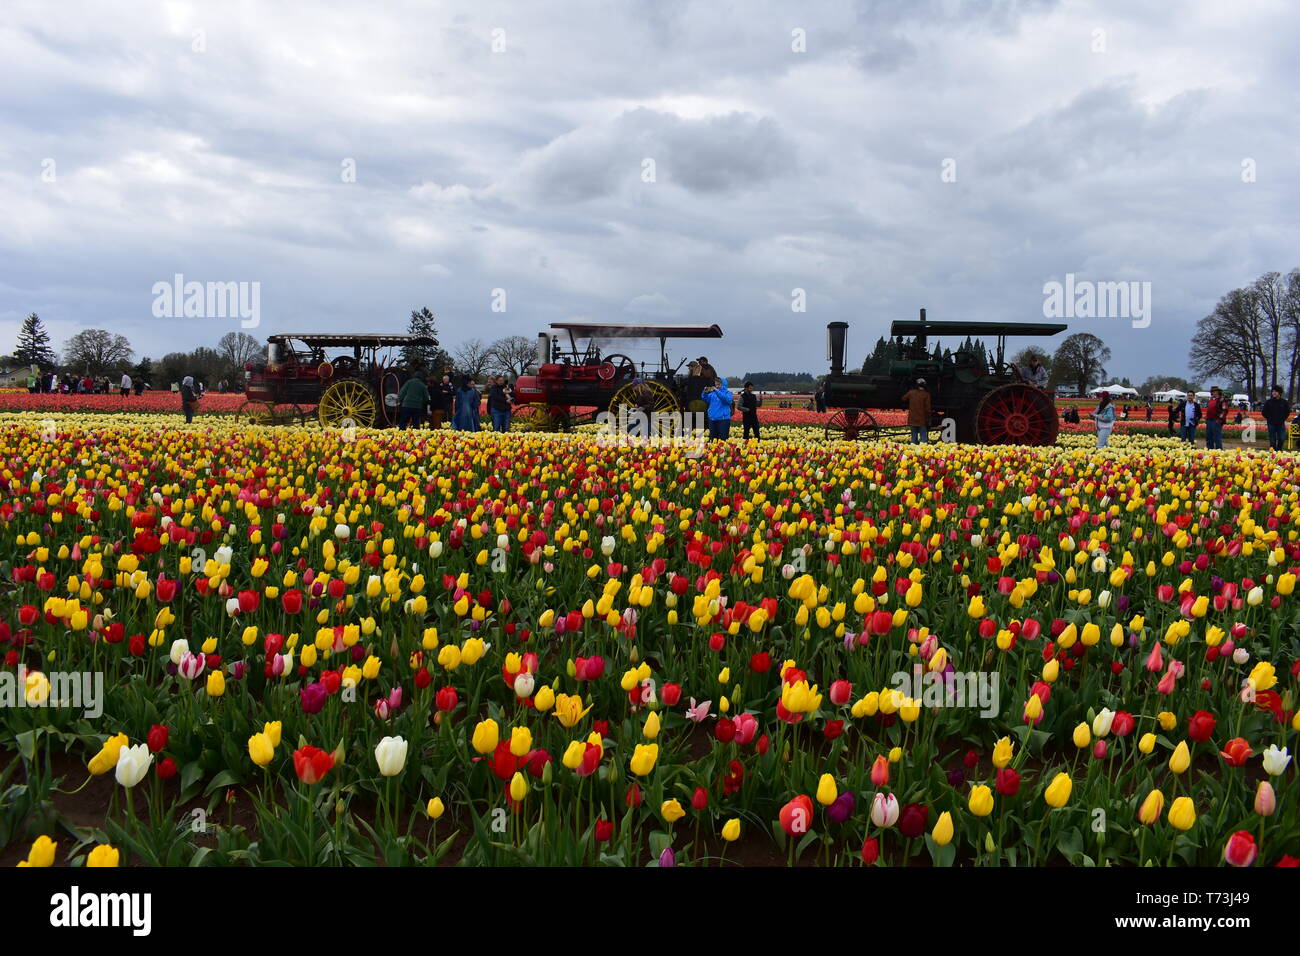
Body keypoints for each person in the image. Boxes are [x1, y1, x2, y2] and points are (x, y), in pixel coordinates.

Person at [900, 378, 932, 444]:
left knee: (913, 437)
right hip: (922, 419)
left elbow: (903, 398)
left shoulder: (911, 392)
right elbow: (928, 409)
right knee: (923, 437)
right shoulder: (926, 395)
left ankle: (913, 449)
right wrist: (929, 419)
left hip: (912, 418)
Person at [1262, 385, 1290, 451]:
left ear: (1279, 393)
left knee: (1282, 438)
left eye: (1276, 391)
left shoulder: (1284, 402)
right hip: (1271, 423)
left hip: (1281, 423)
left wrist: (1283, 419)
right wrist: (1269, 418)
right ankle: (1273, 453)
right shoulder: (1268, 402)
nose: (1274, 393)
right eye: (1273, 391)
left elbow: (1287, 412)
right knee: (1272, 440)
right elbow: (1263, 412)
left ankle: (1279, 450)